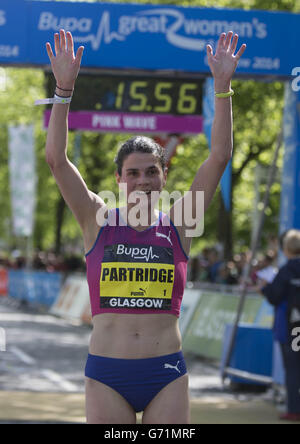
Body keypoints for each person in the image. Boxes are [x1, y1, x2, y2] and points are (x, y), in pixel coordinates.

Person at [44, 29, 246, 424]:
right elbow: (56, 159)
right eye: (133, 173)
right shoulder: (96, 218)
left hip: (166, 374)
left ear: (164, 176)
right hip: (107, 375)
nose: (142, 181)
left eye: (151, 172)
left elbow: (220, 155)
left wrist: (222, 88)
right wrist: (63, 90)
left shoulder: (181, 223)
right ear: (119, 179)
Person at [257, 229, 300, 421]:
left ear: (285, 248)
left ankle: (294, 408)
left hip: (291, 326)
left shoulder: (287, 269)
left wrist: (264, 288)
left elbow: (274, 296)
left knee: (292, 367)